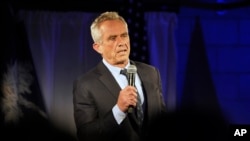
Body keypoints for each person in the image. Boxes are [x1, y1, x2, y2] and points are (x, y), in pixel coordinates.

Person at [72, 11, 167, 141]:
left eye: (124, 35)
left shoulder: (151, 73)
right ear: (98, 47)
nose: (121, 42)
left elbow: (163, 121)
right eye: (112, 38)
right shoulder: (85, 84)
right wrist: (118, 110)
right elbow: (86, 135)